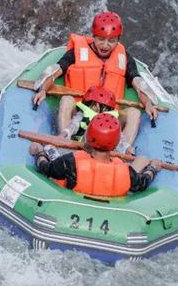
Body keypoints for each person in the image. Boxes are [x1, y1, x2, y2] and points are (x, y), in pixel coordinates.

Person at [31, 11, 160, 154]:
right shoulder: (77, 52)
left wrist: (148, 103)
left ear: (118, 40)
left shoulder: (124, 58)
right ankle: (65, 145)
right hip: (80, 110)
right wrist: (43, 89)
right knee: (67, 99)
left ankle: (120, 152)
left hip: (110, 116)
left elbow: (138, 83)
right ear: (93, 36)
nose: (105, 45)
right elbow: (56, 71)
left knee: (134, 113)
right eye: (101, 39)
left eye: (111, 40)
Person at [29, 113, 163, 197]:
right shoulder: (126, 172)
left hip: (71, 205)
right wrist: (153, 168)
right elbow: (143, 183)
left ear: (88, 137)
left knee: (50, 150)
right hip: (112, 215)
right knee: (142, 160)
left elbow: (46, 169)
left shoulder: (70, 162)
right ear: (116, 143)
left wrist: (39, 152)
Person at [61, 85, 133, 154]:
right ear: (88, 105)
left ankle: (124, 153)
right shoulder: (83, 114)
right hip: (83, 145)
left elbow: (120, 136)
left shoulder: (110, 120)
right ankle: (63, 144)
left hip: (104, 150)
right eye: (94, 105)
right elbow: (74, 125)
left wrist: (127, 147)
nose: (96, 109)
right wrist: (64, 134)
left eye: (101, 107)